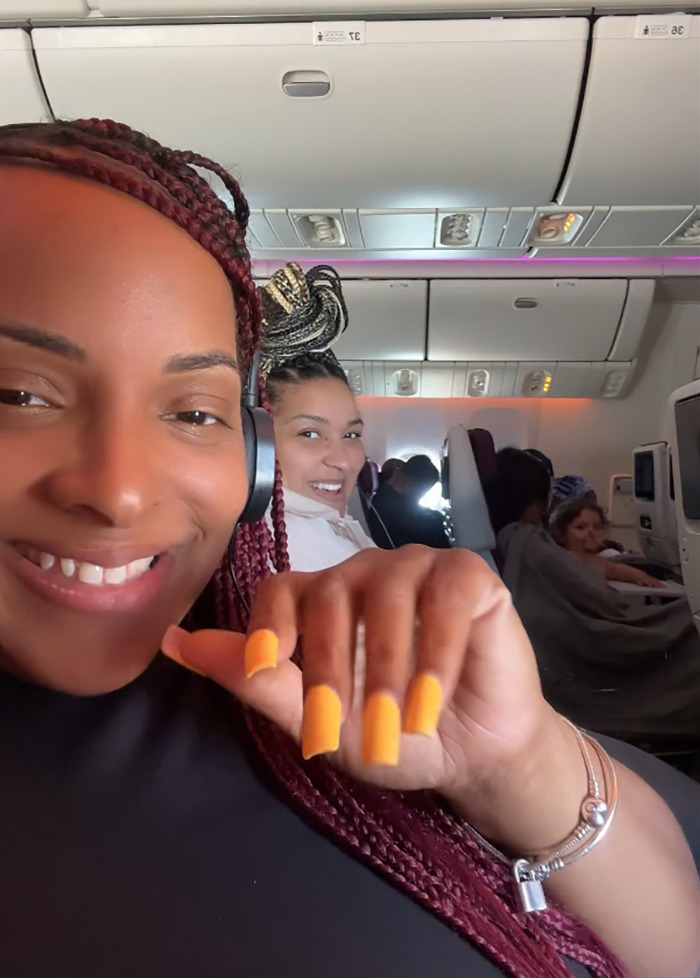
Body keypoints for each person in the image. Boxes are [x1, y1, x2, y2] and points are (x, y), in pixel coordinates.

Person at [0, 120, 698, 978]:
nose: (118, 491)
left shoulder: (303, 688)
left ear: (247, 459)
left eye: (193, 413)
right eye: (20, 393)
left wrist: (518, 764)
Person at [484, 449, 700, 744]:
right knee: (688, 618)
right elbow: (599, 601)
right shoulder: (528, 540)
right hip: (590, 634)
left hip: (571, 625)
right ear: (536, 502)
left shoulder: (506, 539)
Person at [257, 263, 376, 572]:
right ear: (255, 444)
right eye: (310, 433)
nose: (344, 461)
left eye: (351, 435)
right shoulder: (286, 549)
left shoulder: (330, 526)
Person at [550, 500, 662, 590]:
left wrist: (638, 576)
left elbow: (615, 569)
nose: (591, 532)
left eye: (597, 527)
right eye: (581, 527)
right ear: (561, 533)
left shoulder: (597, 561)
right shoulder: (565, 559)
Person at [368, 454, 451, 549]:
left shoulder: (387, 494)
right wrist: (439, 519)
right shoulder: (393, 510)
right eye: (420, 494)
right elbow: (423, 526)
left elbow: (416, 511)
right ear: (408, 486)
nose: (419, 498)